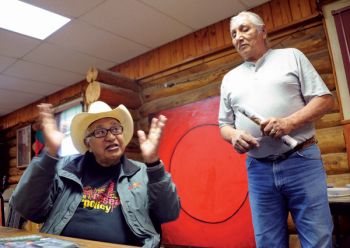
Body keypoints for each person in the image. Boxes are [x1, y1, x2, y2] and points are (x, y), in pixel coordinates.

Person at [218, 11, 334, 248]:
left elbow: (324, 100)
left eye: (244, 29)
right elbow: (224, 125)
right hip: (258, 169)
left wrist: (289, 123)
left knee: (318, 239)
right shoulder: (229, 78)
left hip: (301, 160)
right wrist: (234, 136)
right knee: (268, 241)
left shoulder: (291, 56)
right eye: (233, 34)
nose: (238, 37)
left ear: (263, 31)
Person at [10, 101, 180, 248]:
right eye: (100, 132)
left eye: (115, 129)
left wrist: (154, 163)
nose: (111, 137)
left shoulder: (142, 173)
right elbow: (27, 209)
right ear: (88, 143)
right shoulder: (65, 168)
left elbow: (169, 213)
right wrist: (50, 155)